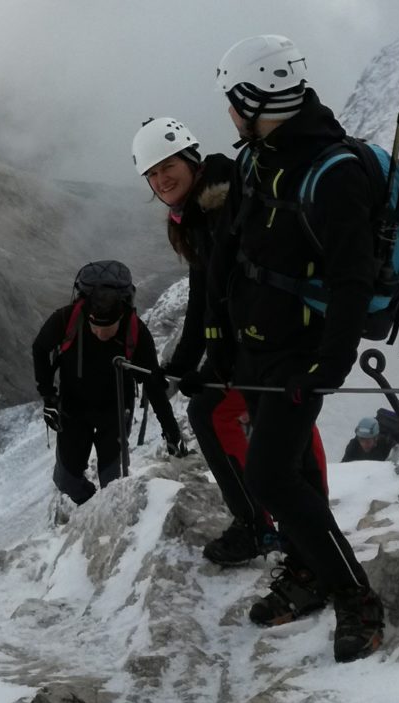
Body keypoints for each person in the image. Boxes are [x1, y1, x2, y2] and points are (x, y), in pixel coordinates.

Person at [217, 34, 389, 661]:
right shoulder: (256, 159)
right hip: (257, 349)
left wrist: (327, 368)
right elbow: (238, 253)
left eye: (233, 103)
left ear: (255, 99)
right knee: (289, 476)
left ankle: (356, 598)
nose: (229, 115)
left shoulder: (332, 173)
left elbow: (352, 279)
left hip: (301, 355)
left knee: (268, 477)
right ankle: (312, 570)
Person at [131, 116, 328, 572]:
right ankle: (261, 523)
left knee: (265, 424)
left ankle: (297, 529)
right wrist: (183, 365)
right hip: (254, 340)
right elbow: (206, 293)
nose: (161, 179)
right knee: (211, 412)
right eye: (152, 174)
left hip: (277, 338)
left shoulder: (223, 202)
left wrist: (213, 360)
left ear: (190, 159)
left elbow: (225, 292)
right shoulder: (200, 209)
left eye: (168, 166)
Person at [33, 260, 182, 505]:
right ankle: (93, 507)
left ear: (122, 314)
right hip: (73, 408)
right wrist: (48, 397)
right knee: (66, 480)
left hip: (115, 412)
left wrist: (171, 432)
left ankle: (106, 511)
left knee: (113, 483)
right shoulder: (67, 318)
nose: (101, 334)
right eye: (95, 327)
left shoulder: (136, 331)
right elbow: (40, 349)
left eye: (109, 329)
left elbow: (153, 383)